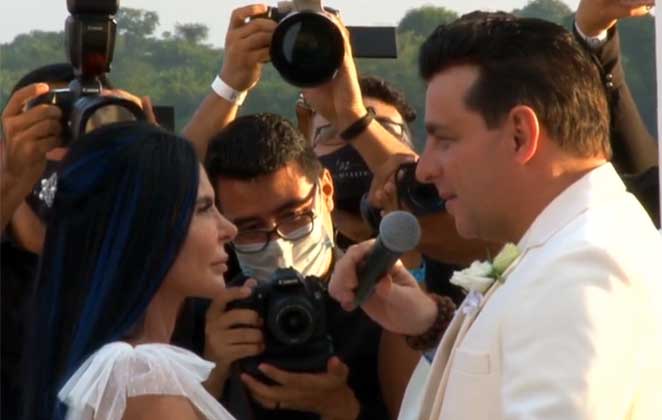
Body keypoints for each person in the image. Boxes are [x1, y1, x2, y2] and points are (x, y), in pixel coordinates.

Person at [329, 12, 662, 420]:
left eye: (445, 140)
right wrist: (430, 324)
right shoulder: (568, 243)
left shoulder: (582, 269)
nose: (424, 169)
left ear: (520, 135)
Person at [201, 113, 415, 419]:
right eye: (250, 229)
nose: (279, 243)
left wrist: (345, 410)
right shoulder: (213, 313)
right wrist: (209, 376)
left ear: (326, 191)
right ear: (224, 226)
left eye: (294, 216)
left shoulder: (383, 301)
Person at [21, 121, 238, 420]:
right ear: (144, 228)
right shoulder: (141, 382)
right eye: (203, 208)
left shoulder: (124, 376)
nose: (229, 229)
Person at [1, 63, 156, 420]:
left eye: (85, 127)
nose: (68, 149)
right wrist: (10, 181)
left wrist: (152, 160)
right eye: (51, 129)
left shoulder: (130, 266)